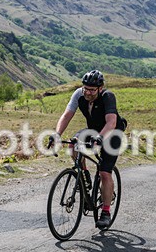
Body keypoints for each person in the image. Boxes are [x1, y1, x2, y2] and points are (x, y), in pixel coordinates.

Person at [50, 70, 126, 229]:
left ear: (101, 88)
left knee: (105, 172)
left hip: (112, 133)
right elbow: (67, 115)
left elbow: (111, 123)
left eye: (92, 90)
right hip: (93, 131)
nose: (88, 92)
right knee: (73, 145)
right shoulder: (79, 94)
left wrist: (100, 138)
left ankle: (105, 212)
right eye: (86, 88)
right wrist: (57, 134)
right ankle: (85, 176)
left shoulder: (108, 97)